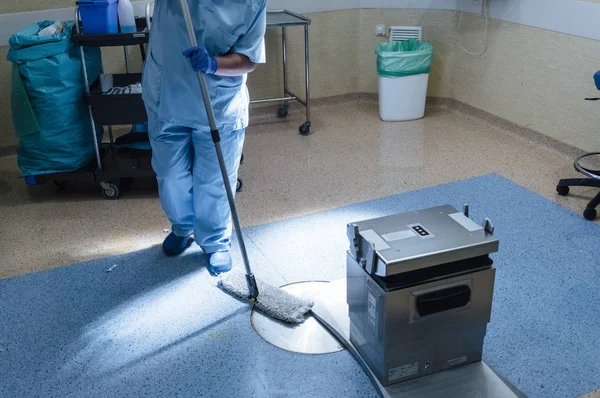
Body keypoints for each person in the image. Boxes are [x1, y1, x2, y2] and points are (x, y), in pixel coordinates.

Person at [142, 0, 266, 274]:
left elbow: (248, 59)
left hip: (218, 101)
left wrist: (214, 64)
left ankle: (215, 241)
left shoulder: (253, 3)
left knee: (214, 180)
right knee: (169, 174)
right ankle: (183, 226)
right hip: (168, 94)